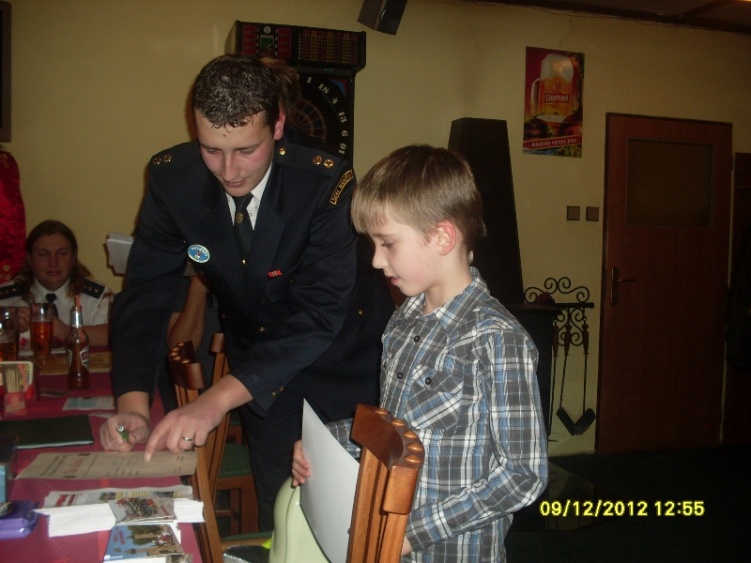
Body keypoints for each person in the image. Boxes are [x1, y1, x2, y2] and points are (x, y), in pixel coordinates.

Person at [99, 54, 394, 530]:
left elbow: (319, 313)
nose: (229, 170)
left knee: (346, 517)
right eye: (211, 150)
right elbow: (145, 293)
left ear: (277, 126)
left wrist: (215, 400)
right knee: (281, 509)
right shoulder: (173, 180)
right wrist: (132, 404)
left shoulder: (323, 183)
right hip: (259, 365)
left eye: (245, 150)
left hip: (342, 360)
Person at [292, 145, 548, 561]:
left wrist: (412, 532)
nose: (376, 260)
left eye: (388, 244)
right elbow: (397, 429)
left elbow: (522, 475)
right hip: (391, 539)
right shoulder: (404, 321)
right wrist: (326, 442)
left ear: (442, 237)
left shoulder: (496, 339)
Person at [0, 219, 112, 347]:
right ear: (29, 259)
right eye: (43, 254)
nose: (53, 263)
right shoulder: (5, 298)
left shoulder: (98, 298)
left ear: (73, 258)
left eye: (62, 253)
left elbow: (116, 335)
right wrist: (4, 321)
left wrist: (66, 332)